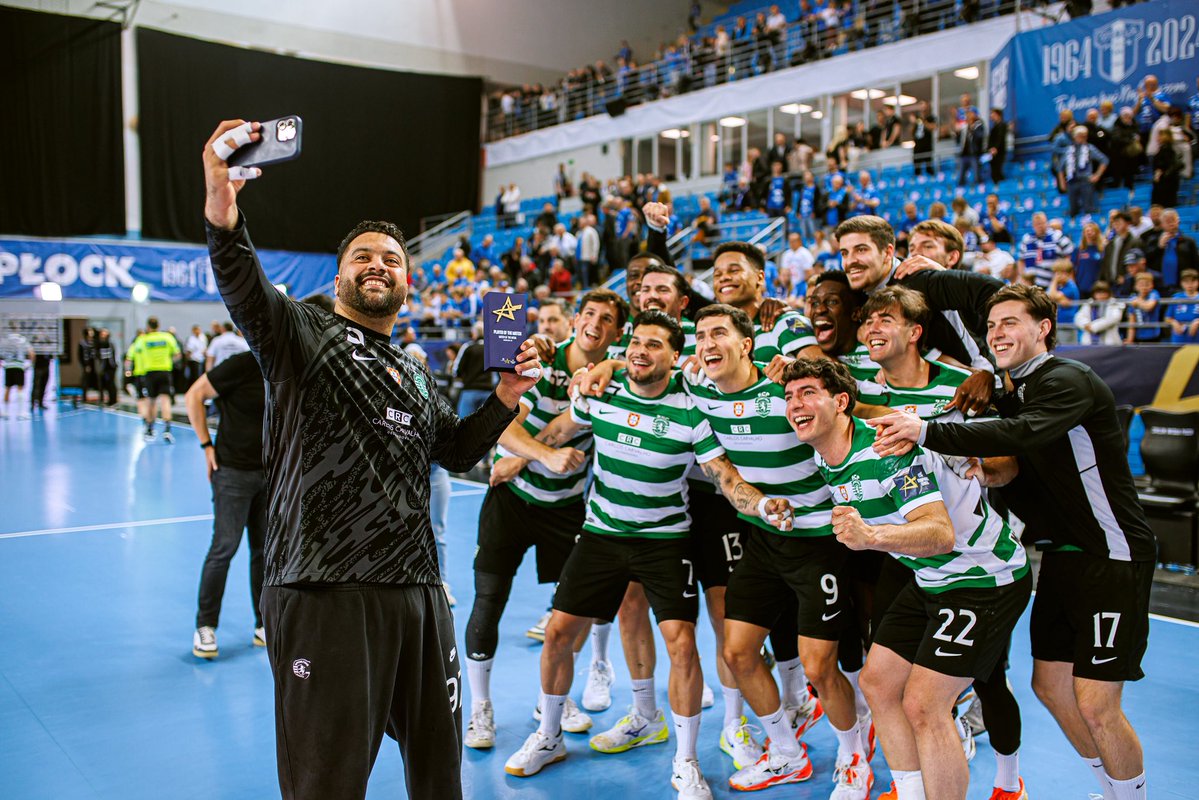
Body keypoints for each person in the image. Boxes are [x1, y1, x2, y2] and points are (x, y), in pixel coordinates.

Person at [202, 118, 541, 800]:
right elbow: (241, 281)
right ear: (339, 276)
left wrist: (506, 397)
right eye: (363, 257)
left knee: (440, 772)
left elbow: (455, 449)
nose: (379, 265)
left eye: (392, 258)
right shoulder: (299, 332)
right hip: (323, 589)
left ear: (408, 280)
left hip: (417, 591)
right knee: (326, 781)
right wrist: (221, 202)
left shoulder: (412, 368)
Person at [869, 284, 1156, 800]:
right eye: (991, 325)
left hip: (1112, 555)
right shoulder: (1008, 389)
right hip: (1061, 555)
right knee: (1051, 688)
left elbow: (1022, 434)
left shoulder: (1067, 379)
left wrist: (924, 430)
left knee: (1097, 704)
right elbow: (1011, 461)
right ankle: (1113, 791)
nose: (996, 333)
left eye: (1010, 322)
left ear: (1043, 329)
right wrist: (986, 467)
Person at [503, 311, 788, 800]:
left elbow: (725, 478)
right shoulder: (599, 393)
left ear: (676, 356)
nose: (640, 351)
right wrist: (526, 455)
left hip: (665, 540)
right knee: (557, 633)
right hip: (602, 534)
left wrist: (761, 504)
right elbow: (548, 434)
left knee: (682, 644)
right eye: (636, 342)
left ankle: (686, 761)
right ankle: (549, 735)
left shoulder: (692, 409)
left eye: (654, 345)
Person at [782, 357, 1030, 800]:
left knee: (924, 704)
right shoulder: (828, 454)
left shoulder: (887, 453)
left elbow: (940, 532)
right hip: (932, 577)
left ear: (841, 403)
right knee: (877, 683)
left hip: (983, 578)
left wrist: (871, 536)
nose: (795, 404)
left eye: (807, 393)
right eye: (789, 396)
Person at [686, 305, 876, 797]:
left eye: (719, 333)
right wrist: (762, 505)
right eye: (701, 335)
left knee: (819, 666)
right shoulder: (700, 395)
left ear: (746, 345)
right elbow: (725, 475)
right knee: (737, 652)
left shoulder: (785, 389)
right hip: (764, 538)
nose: (707, 343)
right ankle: (787, 753)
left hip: (820, 543)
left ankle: (854, 757)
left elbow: (851, 417)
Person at [464, 289, 627, 751]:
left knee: (570, 610)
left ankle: (551, 699)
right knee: (488, 600)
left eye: (607, 319)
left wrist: (524, 456)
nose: (595, 323)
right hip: (511, 502)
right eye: (589, 314)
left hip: (568, 507)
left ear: (618, 332)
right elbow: (504, 424)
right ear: (575, 320)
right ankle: (480, 708)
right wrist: (543, 455)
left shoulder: (614, 376)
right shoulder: (543, 363)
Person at [184, 312, 278, 657]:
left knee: (264, 552)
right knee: (224, 547)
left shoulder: (283, 371)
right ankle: (205, 626)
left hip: (269, 475)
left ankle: (263, 624)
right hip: (232, 473)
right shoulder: (240, 365)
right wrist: (206, 446)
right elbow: (194, 395)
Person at [128, 317, 181, 442]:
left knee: (151, 401)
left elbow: (134, 354)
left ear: (148, 327)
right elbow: (178, 355)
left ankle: (150, 429)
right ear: (158, 325)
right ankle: (167, 430)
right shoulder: (167, 337)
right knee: (165, 399)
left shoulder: (143, 339)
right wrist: (169, 361)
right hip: (165, 371)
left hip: (149, 373)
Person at [1059, 126, 1108, 218]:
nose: (1083, 138)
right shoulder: (1068, 150)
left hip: (1085, 181)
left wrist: (1097, 175)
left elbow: (1104, 160)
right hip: (1071, 181)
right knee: (1073, 209)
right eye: (1080, 136)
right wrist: (1062, 183)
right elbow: (1060, 168)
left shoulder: (1089, 148)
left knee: (1088, 208)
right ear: (1075, 137)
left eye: (1085, 136)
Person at [1018, 212, 1074, 288]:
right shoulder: (1027, 239)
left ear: (1047, 223)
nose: (1039, 226)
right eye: (1037, 224)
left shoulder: (1056, 236)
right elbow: (1021, 260)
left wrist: (1063, 276)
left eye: (1041, 223)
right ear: (1033, 225)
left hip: (1052, 284)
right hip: (1031, 285)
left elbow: (1069, 255)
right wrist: (1023, 276)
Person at [1074, 281, 1125, 345]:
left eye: (1104, 292)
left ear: (1108, 293)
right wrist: (1085, 324)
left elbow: (1114, 318)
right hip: (1090, 343)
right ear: (1093, 294)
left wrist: (1093, 327)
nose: (1101, 295)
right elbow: (1079, 317)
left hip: (1109, 343)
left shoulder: (1114, 303)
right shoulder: (1089, 303)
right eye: (1098, 292)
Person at [1166, 269, 1199, 344]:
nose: (1190, 284)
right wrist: (1174, 322)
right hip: (1179, 339)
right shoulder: (1176, 298)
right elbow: (1167, 318)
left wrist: (1197, 322)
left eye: (1193, 281)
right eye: (1186, 281)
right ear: (1181, 283)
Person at [957, 109, 985, 186]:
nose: (968, 116)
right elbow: (960, 140)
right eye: (967, 114)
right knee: (961, 176)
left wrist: (972, 129)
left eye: (970, 114)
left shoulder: (979, 125)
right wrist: (957, 133)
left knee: (976, 175)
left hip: (974, 154)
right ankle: (961, 189)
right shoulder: (965, 126)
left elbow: (980, 137)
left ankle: (978, 188)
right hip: (964, 154)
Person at [96, 328, 119, 406]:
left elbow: (113, 355)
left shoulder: (110, 344)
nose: (104, 336)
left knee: (111, 384)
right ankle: (103, 400)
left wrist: (115, 364)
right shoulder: (98, 344)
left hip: (110, 367)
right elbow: (97, 356)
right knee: (102, 384)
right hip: (103, 367)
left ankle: (113, 401)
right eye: (102, 334)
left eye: (105, 334)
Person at [184, 325, 208, 389]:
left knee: (201, 376)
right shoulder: (191, 339)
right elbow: (189, 350)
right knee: (194, 376)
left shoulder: (203, 337)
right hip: (194, 359)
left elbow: (204, 348)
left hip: (201, 359)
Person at [987, 108, 1008, 182]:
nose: (991, 116)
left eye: (993, 114)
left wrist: (995, 148)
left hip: (998, 152)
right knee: (994, 170)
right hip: (993, 152)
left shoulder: (1002, 125)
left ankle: (1000, 184)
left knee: (997, 170)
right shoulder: (995, 126)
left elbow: (1000, 138)